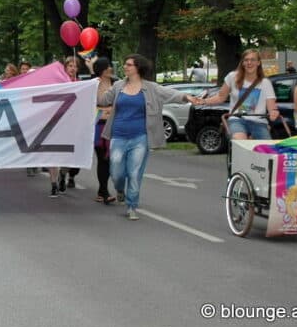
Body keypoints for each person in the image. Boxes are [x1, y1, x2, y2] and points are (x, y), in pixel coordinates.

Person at [98, 54, 200, 220]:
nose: (125, 67)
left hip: (140, 137)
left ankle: (132, 205)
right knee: (116, 171)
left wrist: (186, 97)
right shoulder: (118, 86)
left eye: (129, 64)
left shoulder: (150, 88)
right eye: (125, 64)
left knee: (134, 172)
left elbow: (169, 93)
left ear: (138, 68)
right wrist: (99, 82)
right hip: (118, 135)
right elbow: (103, 100)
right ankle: (120, 189)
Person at [199, 49, 279, 140]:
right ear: (242, 63)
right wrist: (203, 101)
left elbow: (271, 106)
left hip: (258, 121)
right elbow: (220, 97)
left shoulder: (265, 83)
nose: (249, 62)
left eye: (252, 60)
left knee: (266, 149)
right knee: (240, 141)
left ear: (258, 63)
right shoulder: (232, 77)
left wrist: (273, 112)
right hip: (237, 119)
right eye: (246, 60)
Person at [49, 57, 80, 197]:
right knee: (52, 155)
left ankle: (63, 173)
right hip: (55, 123)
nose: (73, 68)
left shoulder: (80, 84)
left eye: (75, 66)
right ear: (65, 68)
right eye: (70, 66)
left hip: (72, 124)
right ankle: (54, 184)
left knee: (69, 156)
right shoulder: (56, 84)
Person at [92, 60, 116, 203]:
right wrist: (104, 111)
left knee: (114, 159)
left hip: (114, 126)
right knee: (103, 159)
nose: (111, 68)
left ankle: (104, 190)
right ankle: (104, 191)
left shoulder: (116, 84)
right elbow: (88, 105)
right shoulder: (94, 84)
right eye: (108, 66)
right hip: (99, 127)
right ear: (102, 69)